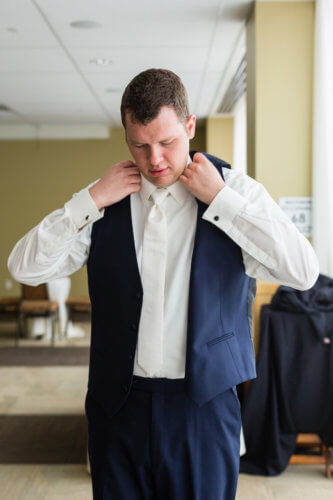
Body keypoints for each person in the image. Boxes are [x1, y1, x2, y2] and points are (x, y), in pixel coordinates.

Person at [8, 68, 319, 499]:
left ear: (189, 127)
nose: (154, 159)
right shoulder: (105, 200)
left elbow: (302, 271)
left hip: (204, 409)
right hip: (117, 409)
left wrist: (223, 201)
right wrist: (91, 199)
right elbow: (23, 267)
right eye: (140, 145)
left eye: (168, 142)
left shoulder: (236, 190)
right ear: (127, 139)